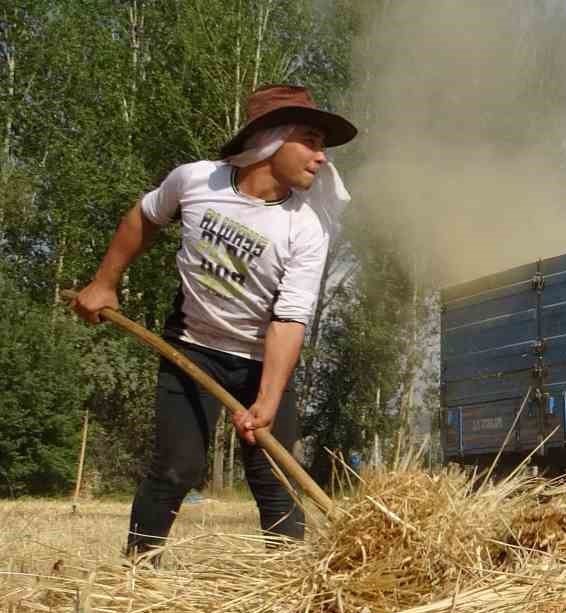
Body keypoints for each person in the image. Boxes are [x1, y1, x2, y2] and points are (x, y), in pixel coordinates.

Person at [71, 84, 357, 559]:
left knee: (274, 477)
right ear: (270, 139)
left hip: (263, 363)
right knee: (177, 468)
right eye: (310, 140)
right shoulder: (196, 181)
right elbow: (144, 218)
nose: (321, 157)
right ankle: (137, 579)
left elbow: (290, 317)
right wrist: (104, 282)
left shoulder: (306, 227)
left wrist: (266, 399)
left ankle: (291, 592)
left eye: (322, 145)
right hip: (190, 347)